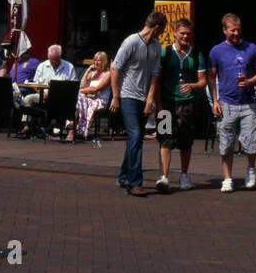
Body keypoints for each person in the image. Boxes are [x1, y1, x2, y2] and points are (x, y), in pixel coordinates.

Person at [111, 11, 167, 197]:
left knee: (134, 140)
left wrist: (150, 99)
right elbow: (115, 69)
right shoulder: (131, 42)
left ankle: (123, 177)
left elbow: (154, 74)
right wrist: (116, 97)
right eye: (163, 30)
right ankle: (135, 182)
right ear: (157, 28)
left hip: (143, 99)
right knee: (135, 136)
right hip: (127, 96)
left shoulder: (156, 46)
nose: (162, 33)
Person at [208, 14, 256, 192]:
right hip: (226, 102)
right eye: (232, 30)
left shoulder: (251, 48)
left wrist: (250, 82)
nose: (236, 33)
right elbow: (211, 77)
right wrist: (215, 101)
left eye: (238, 29)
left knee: (251, 140)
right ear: (224, 30)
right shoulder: (216, 51)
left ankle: (250, 170)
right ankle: (227, 178)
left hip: (248, 102)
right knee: (226, 142)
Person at [154, 20, 206, 191]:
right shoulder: (165, 53)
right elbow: (156, 80)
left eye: (188, 34)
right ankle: (164, 176)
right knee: (164, 139)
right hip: (166, 103)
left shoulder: (197, 54)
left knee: (186, 141)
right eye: (182, 33)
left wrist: (193, 86)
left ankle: (184, 175)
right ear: (175, 33)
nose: (185, 36)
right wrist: (158, 104)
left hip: (187, 104)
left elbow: (203, 81)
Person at [18, 44, 77, 133]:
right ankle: (27, 125)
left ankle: (54, 126)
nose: (53, 62)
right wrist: (41, 92)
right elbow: (35, 83)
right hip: (43, 95)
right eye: (51, 60)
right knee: (27, 99)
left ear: (60, 57)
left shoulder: (69, 67)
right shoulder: (42, 66)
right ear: (48, 57)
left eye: (56, 60)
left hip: (61, 98)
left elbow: (73, 85)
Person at [66, 51, 113, 142]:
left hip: (100, 101)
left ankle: (72, 128)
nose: (96, 62)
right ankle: (73, 126)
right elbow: (82, 86)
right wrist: (87, 71)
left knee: (78, 96)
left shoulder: (108, 74)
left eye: (99, 60)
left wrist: (81, 91)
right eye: (95, 60)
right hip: (88, 99)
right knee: (78, 98)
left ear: (104, 61)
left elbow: (96, 89)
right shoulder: (92, 73)